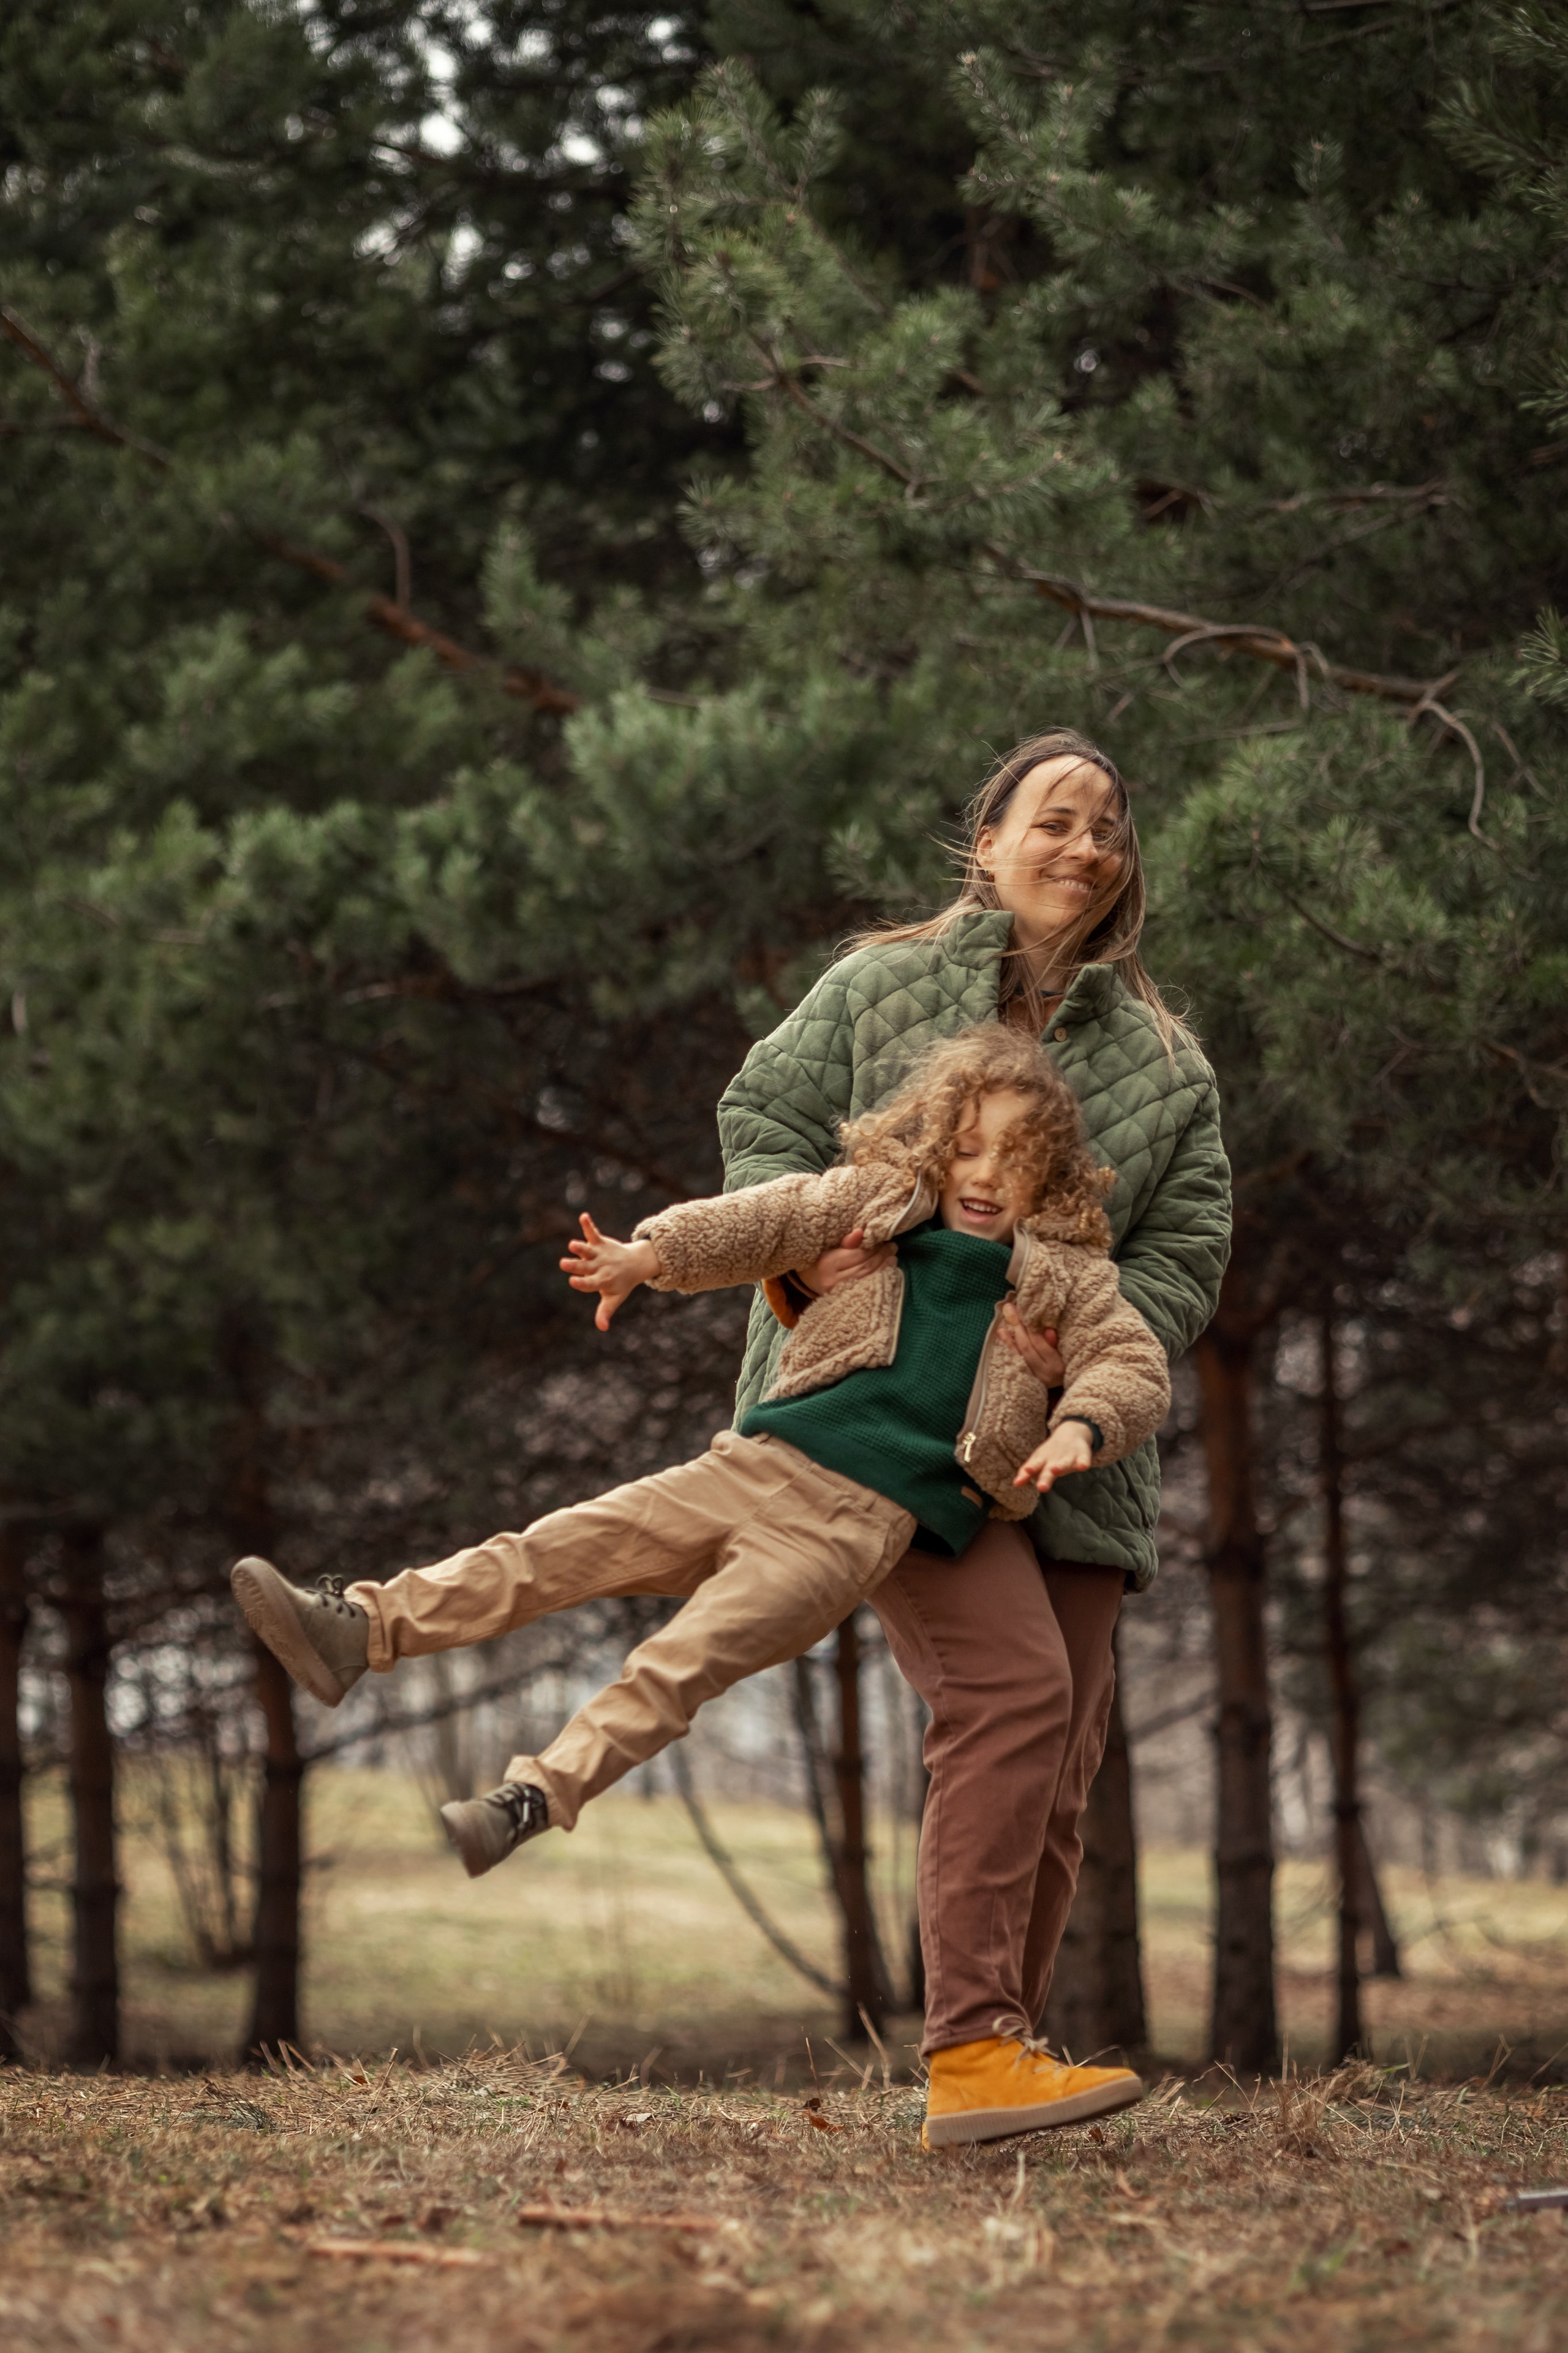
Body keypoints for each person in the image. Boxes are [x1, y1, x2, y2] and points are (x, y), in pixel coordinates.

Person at [232, 1024, 1170, 2144]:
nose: (983, 1175)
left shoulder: (1066, 1276)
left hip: (854, 1523)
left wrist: (1080, 1424)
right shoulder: (879, 1202)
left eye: (1014, 1158)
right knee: (559, 1544)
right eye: (965, 1146)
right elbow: (765, 1218)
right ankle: (361, 1626)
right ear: (933, 1144)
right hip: (755, 1460)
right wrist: (650, 1255)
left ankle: (530, 1795)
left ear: (1051, 1174)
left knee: (684, 1658)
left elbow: (1133, 1360)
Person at [717, 727, 1231, 2148]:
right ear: (987, 838)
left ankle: (1000, 2059)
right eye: (1053, 819)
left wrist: (1087, 1338)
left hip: (1064, 1446)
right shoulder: (874, 989)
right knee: (1006, 1704)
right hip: (882, 1414)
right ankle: (973, 2052)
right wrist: (814, 1257)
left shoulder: (1163, 1065)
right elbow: (758, 1119)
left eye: (1106, 828)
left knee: (1052, 1763)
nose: (1083, 846)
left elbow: (1188, 1245)